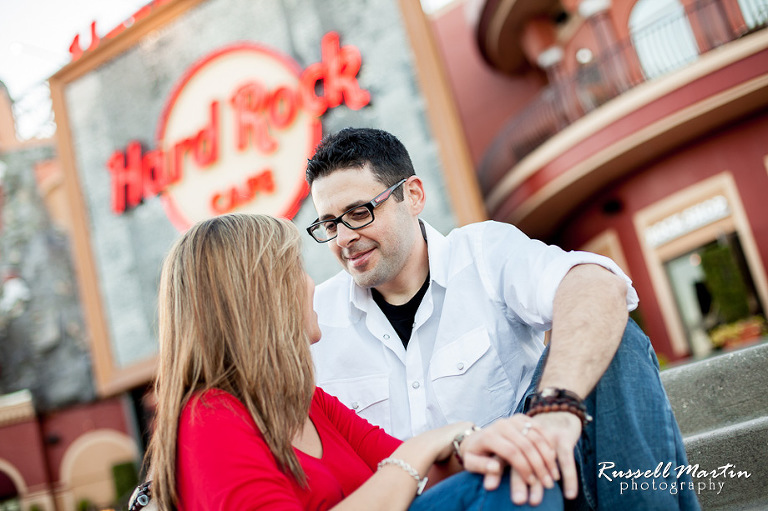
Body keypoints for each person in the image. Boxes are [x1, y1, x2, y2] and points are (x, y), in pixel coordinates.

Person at [305, 128, 700, 510]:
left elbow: (597, 285)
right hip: (420, 503)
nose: (342, 239)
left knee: (616, 340)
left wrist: (558, 405)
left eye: (359, 213)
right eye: (329, 224)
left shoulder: (484, 252)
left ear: (413, 195)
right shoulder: (316, 320)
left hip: (534, 475)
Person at [141, 213, 567, 511]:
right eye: (296, 270)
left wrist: (471, 441)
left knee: (513, 468)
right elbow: (410, 462)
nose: (312, 284)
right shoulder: (209, 418)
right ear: (259, 298)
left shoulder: (310, 403)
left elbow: (418, 470)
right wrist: (423, 448)